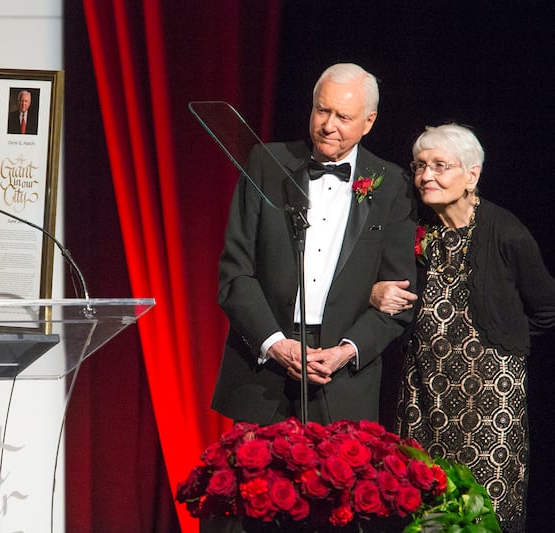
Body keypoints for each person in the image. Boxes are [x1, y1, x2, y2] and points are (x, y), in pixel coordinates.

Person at [210, 63, 417, 427]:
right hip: (264, 370)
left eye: (343, 116)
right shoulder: (267, 163)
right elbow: (235, 272)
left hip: (343, 378)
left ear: (369, 122)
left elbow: (399, 298)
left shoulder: (392, 185)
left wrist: (346, 351)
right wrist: (275, 343)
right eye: (322, 110)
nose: (328, 125)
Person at [371, 123, 555, 531]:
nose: (426, 176)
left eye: (440, 165)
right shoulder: (414, 230)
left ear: (472, 175)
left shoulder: (505, 231)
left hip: (490, 403)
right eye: (420, 166)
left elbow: (547, 308)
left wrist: (505, 348)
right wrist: (373, 292)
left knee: (482, 513)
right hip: (423, 392)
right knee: (422, 507)